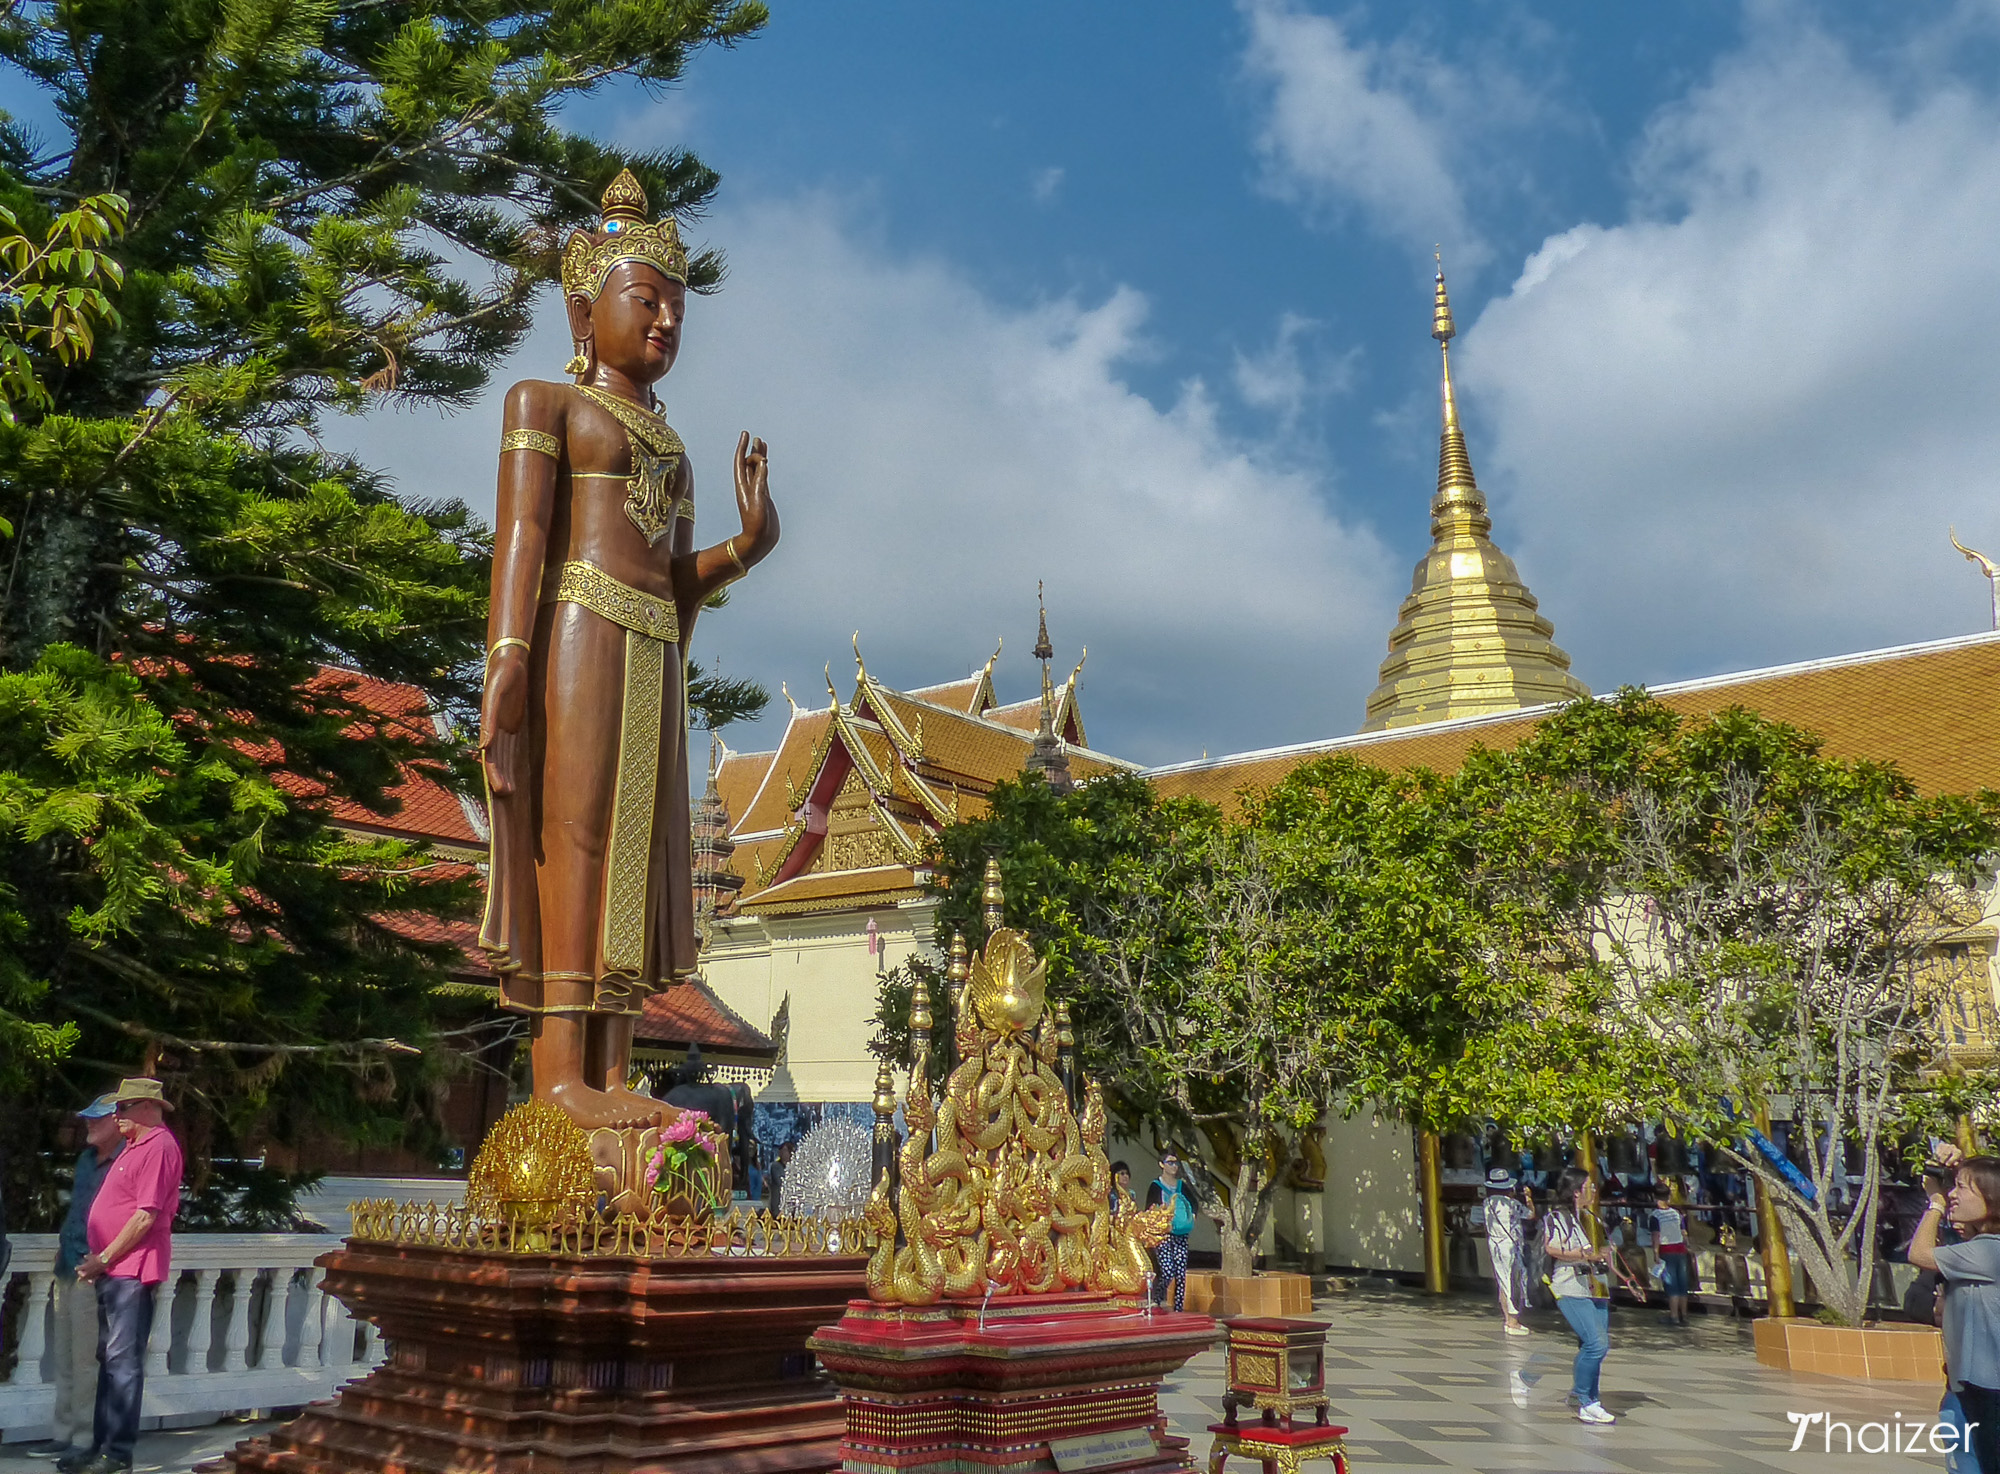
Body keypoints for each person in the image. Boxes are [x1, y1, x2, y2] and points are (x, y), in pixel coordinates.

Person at [476, 169, 778, 1133]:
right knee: (574, 840)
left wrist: (747, 544)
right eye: (644, 301)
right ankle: (559, 1073)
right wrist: (509, 654)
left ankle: (610, 1069)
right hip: (578, 629)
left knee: (639, 857)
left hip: (652, 647)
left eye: (677, 311)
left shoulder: (675, 447)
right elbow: (521, 535)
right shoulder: (545, 405)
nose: (663, 326)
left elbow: (676, 582)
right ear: (583, 307)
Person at [60, 1078, 184, 1474]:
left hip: (131, 1269)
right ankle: (100, 1446)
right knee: (109, 1358)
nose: (117, 1116)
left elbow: (145, 1216)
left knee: (123, 1362)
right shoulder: (135, 1146)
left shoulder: (159, 1147)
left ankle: (117, 1454)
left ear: (148, 1107)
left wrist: (104, 1258)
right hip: (115, 1269)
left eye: (123, 1108)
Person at [23, 1096, 122, 1461]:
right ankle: (62, 1434)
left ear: (117, 1120)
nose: (88, 1125)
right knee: (63, 1356)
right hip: (66, 1265)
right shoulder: (85, 1161)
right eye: (87, 1119)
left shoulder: (123, 1162)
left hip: (94, 1270)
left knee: (86, 1361)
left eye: (97, 1119)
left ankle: (84, 1439)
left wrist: (102, 1261)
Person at [1909, 1144, 2000, 1474]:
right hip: (1968, 1387)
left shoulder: (1988, 1252)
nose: (1953, 1195)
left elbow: (1919, 1253)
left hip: (1989, 1391)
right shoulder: (1976, 1250)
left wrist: (1934, 1204)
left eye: (1962, 1187)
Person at [1543, 1166, 1644, 1426]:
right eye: (1590, 1186)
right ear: (1576, 1191)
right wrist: (1586, 1255)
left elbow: (1601, 1255)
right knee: (1597, 1344)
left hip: (1596, 1287)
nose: (1594, 1190)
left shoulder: (1589, 1217)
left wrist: (1624, 1276)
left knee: (1593, 1348)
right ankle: (1582, 1399)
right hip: (1570, 1287)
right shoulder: (1558, 1217)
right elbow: (1551, 1248)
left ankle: (1590, 1398)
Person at [1482, 1166, 1534, 1337]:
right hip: (1509, 1245)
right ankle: (1513, 1321)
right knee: (1513, 1281)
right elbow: (1531, 1215)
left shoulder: (1487, 1203)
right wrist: (1528, 1198)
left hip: (1494, 1243)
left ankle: (1507, 1318)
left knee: (1502, 1281)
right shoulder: (1512, 1204)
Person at [1146, 1153, 1198, 1311]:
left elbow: (1194, 1204)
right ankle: (1158, 1297)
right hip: (1163, 1235)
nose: (1174, 1166)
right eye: (1170, 1162)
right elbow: (1149, 1208)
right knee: (1168, 1270)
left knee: (1181, 1273)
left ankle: (1178, 1308)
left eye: (1176, 1163)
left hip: (1181, 1234)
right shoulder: (1156, 1185)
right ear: (1161, 1164)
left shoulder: (1181, 1185)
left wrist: (1191, 1217)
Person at [1649, 1187, 1694, 1327]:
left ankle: (1674, 1316)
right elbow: (1684, 1232)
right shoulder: (1676, 1214)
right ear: (1669, 1197)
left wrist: (1655, 1253)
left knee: (1672, 1285)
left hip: (1666, 1250)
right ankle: (1684, 1316)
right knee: (1682, 1284)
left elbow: (1656, 1236)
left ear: (1654, 1197)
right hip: (1680, 1249)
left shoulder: (1655, 1216)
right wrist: (1688, 1245)